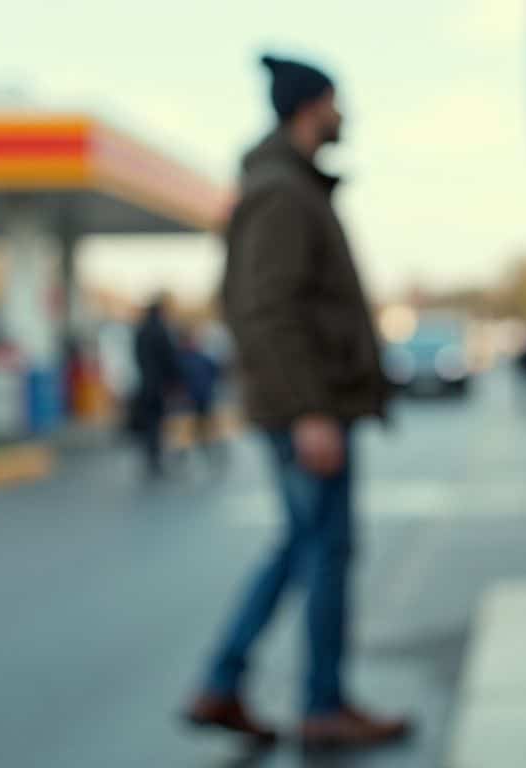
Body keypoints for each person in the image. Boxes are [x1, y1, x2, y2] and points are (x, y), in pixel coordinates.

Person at [184, 53, 406, 748]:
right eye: (336, 102)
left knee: (305, 547)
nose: (344, 115)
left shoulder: (291, 186)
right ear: (311, 107)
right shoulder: (283, 192)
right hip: (307, 409)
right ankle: (321, 704)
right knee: (325, 551)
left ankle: (226, 683)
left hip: (308, 404)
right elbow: (266, 309)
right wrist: (311, 410)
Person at [131, 296, 181, 479]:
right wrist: (175, 379)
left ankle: (152, 455)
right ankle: (156, 455)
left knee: (151, 420)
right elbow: (169, 357)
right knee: (158, 421)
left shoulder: (141, 331)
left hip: (145, 382)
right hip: (159, 384)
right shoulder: (160, 331)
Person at [177, 328, 225, 469]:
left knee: (204, 421)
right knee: (194, 422)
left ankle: (208, 443)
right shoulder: (186, 359)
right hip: (194, 397)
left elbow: (215, 370)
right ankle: (202, 444)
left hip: (201, 395)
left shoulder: (187, 359)